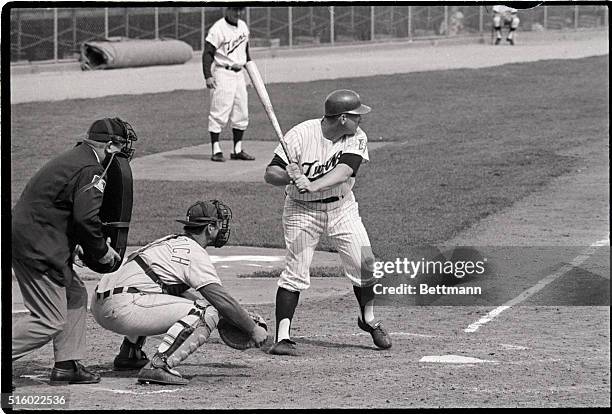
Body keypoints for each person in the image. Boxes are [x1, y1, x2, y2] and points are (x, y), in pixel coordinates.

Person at [263, 89, 392, 356]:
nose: (361, 120)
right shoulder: (300, 135)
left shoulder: (357, 137)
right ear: (343, 118)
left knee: (366, 265)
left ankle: (367, 320)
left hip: (342, 207)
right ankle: (283, 337)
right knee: (296, 271)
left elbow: (345, 170)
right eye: (357, 116)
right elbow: (270, 173)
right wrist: (289, 176)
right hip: (301, 210)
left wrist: (312, 184)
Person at [12, 117, 137, 385]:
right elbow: (85, 218)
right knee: (49, 320)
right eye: (122, 146)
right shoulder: (91, 168)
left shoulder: (76, 158)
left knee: (74, 295)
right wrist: (101, 250)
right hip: (37, 244)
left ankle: (67, 365)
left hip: (36, 235)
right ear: (111, 146)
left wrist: (75, 243)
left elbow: (60, 208)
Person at [90, 200, 268, 385]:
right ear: (210, 227)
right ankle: (160, 365)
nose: (223, 230)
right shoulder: (194, 252)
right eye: (220, 224)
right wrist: (251, 328)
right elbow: (219, 299)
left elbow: (180, 295)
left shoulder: (169, 241)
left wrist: (230, 318)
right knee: (205, 312)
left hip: (100, 304)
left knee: (163, 292)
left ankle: (130, 353)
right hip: (123, 308)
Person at [202, 6, 255, 162]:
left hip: (240, 74)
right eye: (234, 9)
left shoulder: (243, 26)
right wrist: (208, 75)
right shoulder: (218, 28)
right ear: (227, 10)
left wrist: (251, 75)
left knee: (242, 112)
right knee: (219, 110)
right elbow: (208, 53)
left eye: (240, 10)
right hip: (223, 72)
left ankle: (237, 150)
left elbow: (246, 53)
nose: (237, 13)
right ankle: (216, 150)